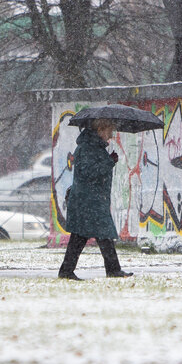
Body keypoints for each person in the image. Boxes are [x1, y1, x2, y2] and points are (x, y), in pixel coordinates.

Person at [58, 118, 133, 280]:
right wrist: (109, 161)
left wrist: (108, 160)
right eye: (109, 131)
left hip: (91, 199)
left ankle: (68, 271)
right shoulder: (87, 148)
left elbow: (93, 170)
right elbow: (89, 173)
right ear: (100, 129)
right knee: (95, 234)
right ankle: (111, 270)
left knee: (87, 236)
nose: (111, 135)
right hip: (88, 200)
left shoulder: (92, 147)